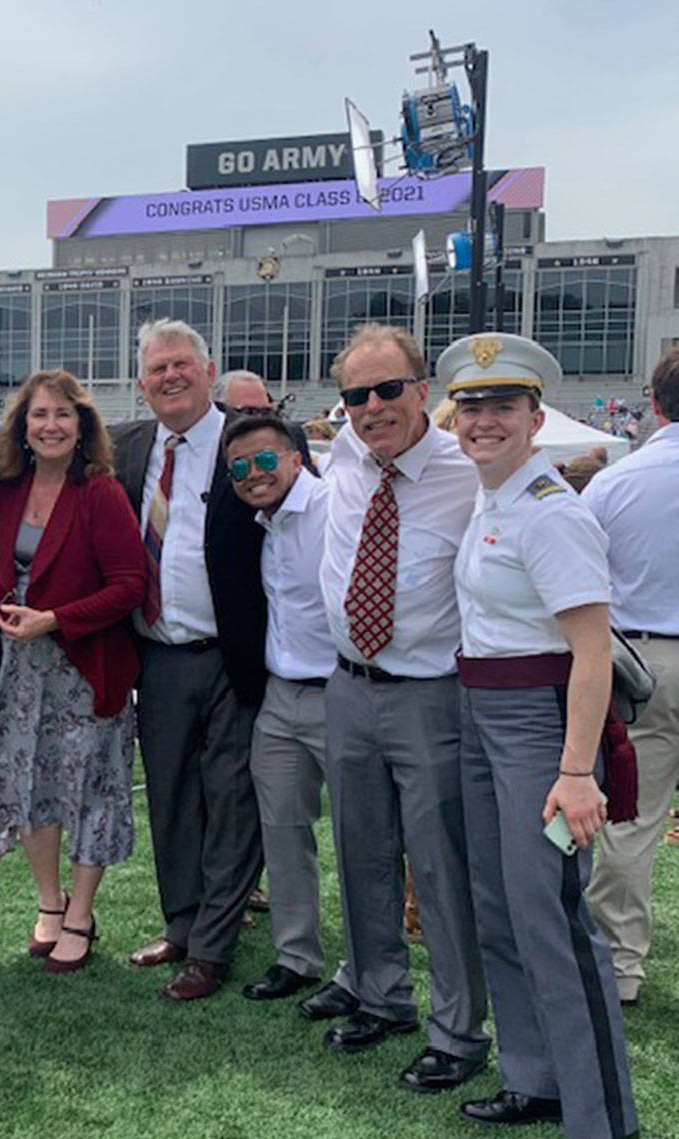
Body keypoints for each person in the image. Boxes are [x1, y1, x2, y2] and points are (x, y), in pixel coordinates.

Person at [442, 332, 640, 1139]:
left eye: (503, 407)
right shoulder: (493, 499)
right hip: (479, 712)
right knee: (500, 910)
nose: (484, 421)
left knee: (556, 920)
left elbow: (591, 654)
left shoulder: (552, 510)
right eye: (472, 407)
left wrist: (574, 769)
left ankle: (607, 1123)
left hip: (536, 730)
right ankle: (534, 1076)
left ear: (534, 417)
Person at [310, 324, 490, 1094]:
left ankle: (458, 1031)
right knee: (360, 848)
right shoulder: (344, 455)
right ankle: (380, 991)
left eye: (389, 389)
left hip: (432, 696)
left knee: (440, 866)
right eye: (357, 394)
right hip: (347, 685)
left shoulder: (467, 470)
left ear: (424, 389)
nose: (373, 407)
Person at [114, 319, 268, 1002]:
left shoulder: (249, 442)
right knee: (171, 795)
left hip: (232, 653)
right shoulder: (128, 448)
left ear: (208, 371)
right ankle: (180, 923)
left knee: (233, 799)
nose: (170, 377)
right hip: (157, 653)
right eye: (157, 370)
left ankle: (213, 945)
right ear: (142, 383)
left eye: (181, 365)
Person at [0, 371, 145, 973]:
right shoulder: (6, 490)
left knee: (93, 790)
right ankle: (51, 904)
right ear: (22, 427)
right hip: (23, 669)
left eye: (63, 416)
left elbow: (129, 586)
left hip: (87, 664)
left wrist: (55, 618)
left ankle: (83, 914)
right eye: (39, 415)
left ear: (83, 427)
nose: (50, 426)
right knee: (32, 786)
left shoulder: (100, 492)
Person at [221, 413, 336, 1002]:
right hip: (280, 697)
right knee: (284, 833)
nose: (253, 475)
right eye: (239, 466)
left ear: (296, 457)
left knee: (368, 837)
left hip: (343, 694)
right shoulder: (260, 524)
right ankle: (297, 955)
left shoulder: (335, 508)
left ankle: (369, 967)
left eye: (265, 460)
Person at [585, 347, 679, 1006]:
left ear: (652, 402)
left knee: (630, 820)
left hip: (644, 661)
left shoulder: (614, 481)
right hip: (643, 652)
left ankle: (618, 969)